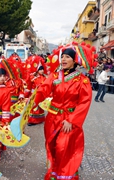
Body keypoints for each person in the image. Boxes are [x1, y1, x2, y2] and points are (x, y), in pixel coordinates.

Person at [34, 43, 95, 180]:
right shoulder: (55, 76)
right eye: (62, 57)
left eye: (67, 57)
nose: (63, 60)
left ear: (74, 60)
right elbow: (43, 89)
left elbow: (84, 102)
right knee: (52, 145)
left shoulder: (82, 80)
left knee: (63, 147)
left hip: (69, 119)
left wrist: (72, 120)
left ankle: (64, 174)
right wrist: (32, 102)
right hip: (52, 117)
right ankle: (54, 172)